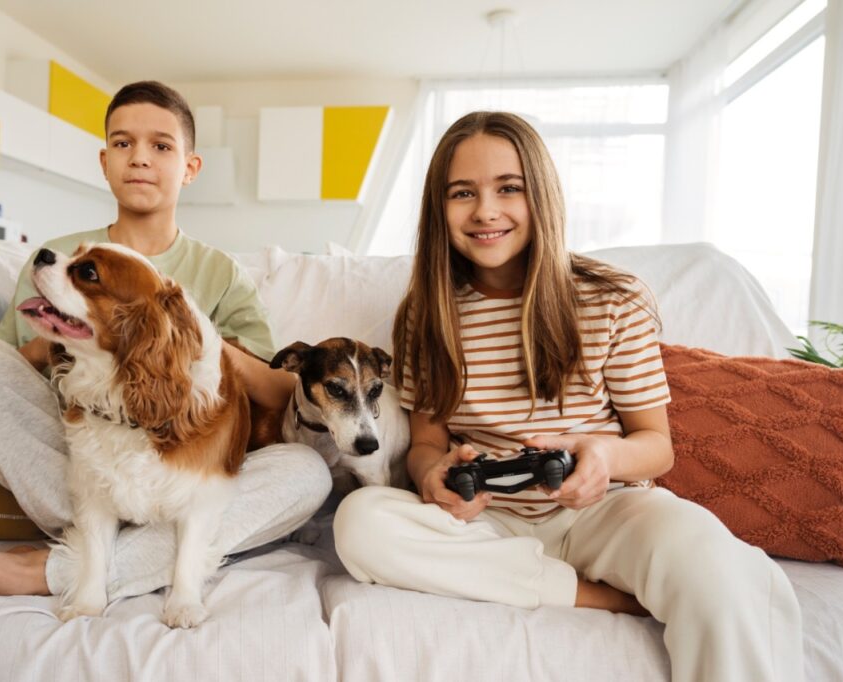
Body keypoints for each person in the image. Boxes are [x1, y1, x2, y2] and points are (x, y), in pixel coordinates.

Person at [332, 111, 802, 682]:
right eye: (463, 193)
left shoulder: (611, 299)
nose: (486, 210)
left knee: (715, 568)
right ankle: (594, 596)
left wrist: (602, 455)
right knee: (359, 523)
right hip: (487, 522)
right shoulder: (426, 315)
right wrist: (433, 476)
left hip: (606, 510)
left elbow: (657, 446)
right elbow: (427, 441)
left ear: (543, 196)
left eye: (510, 188)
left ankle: (611, 578)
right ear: (440, 209)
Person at [0, 81, 331, 601]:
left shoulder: (218, 273)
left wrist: (194, 337)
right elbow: (7, 372)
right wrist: (59, 341)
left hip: (181, 472)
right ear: (104, 161)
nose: (140, 158)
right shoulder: (57, 259)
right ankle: (114, 546)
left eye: (161, 146)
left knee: (307, 472)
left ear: (190, 167)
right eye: (123, 144)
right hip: (80, 463)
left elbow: (283, 394)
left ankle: (56, 570)